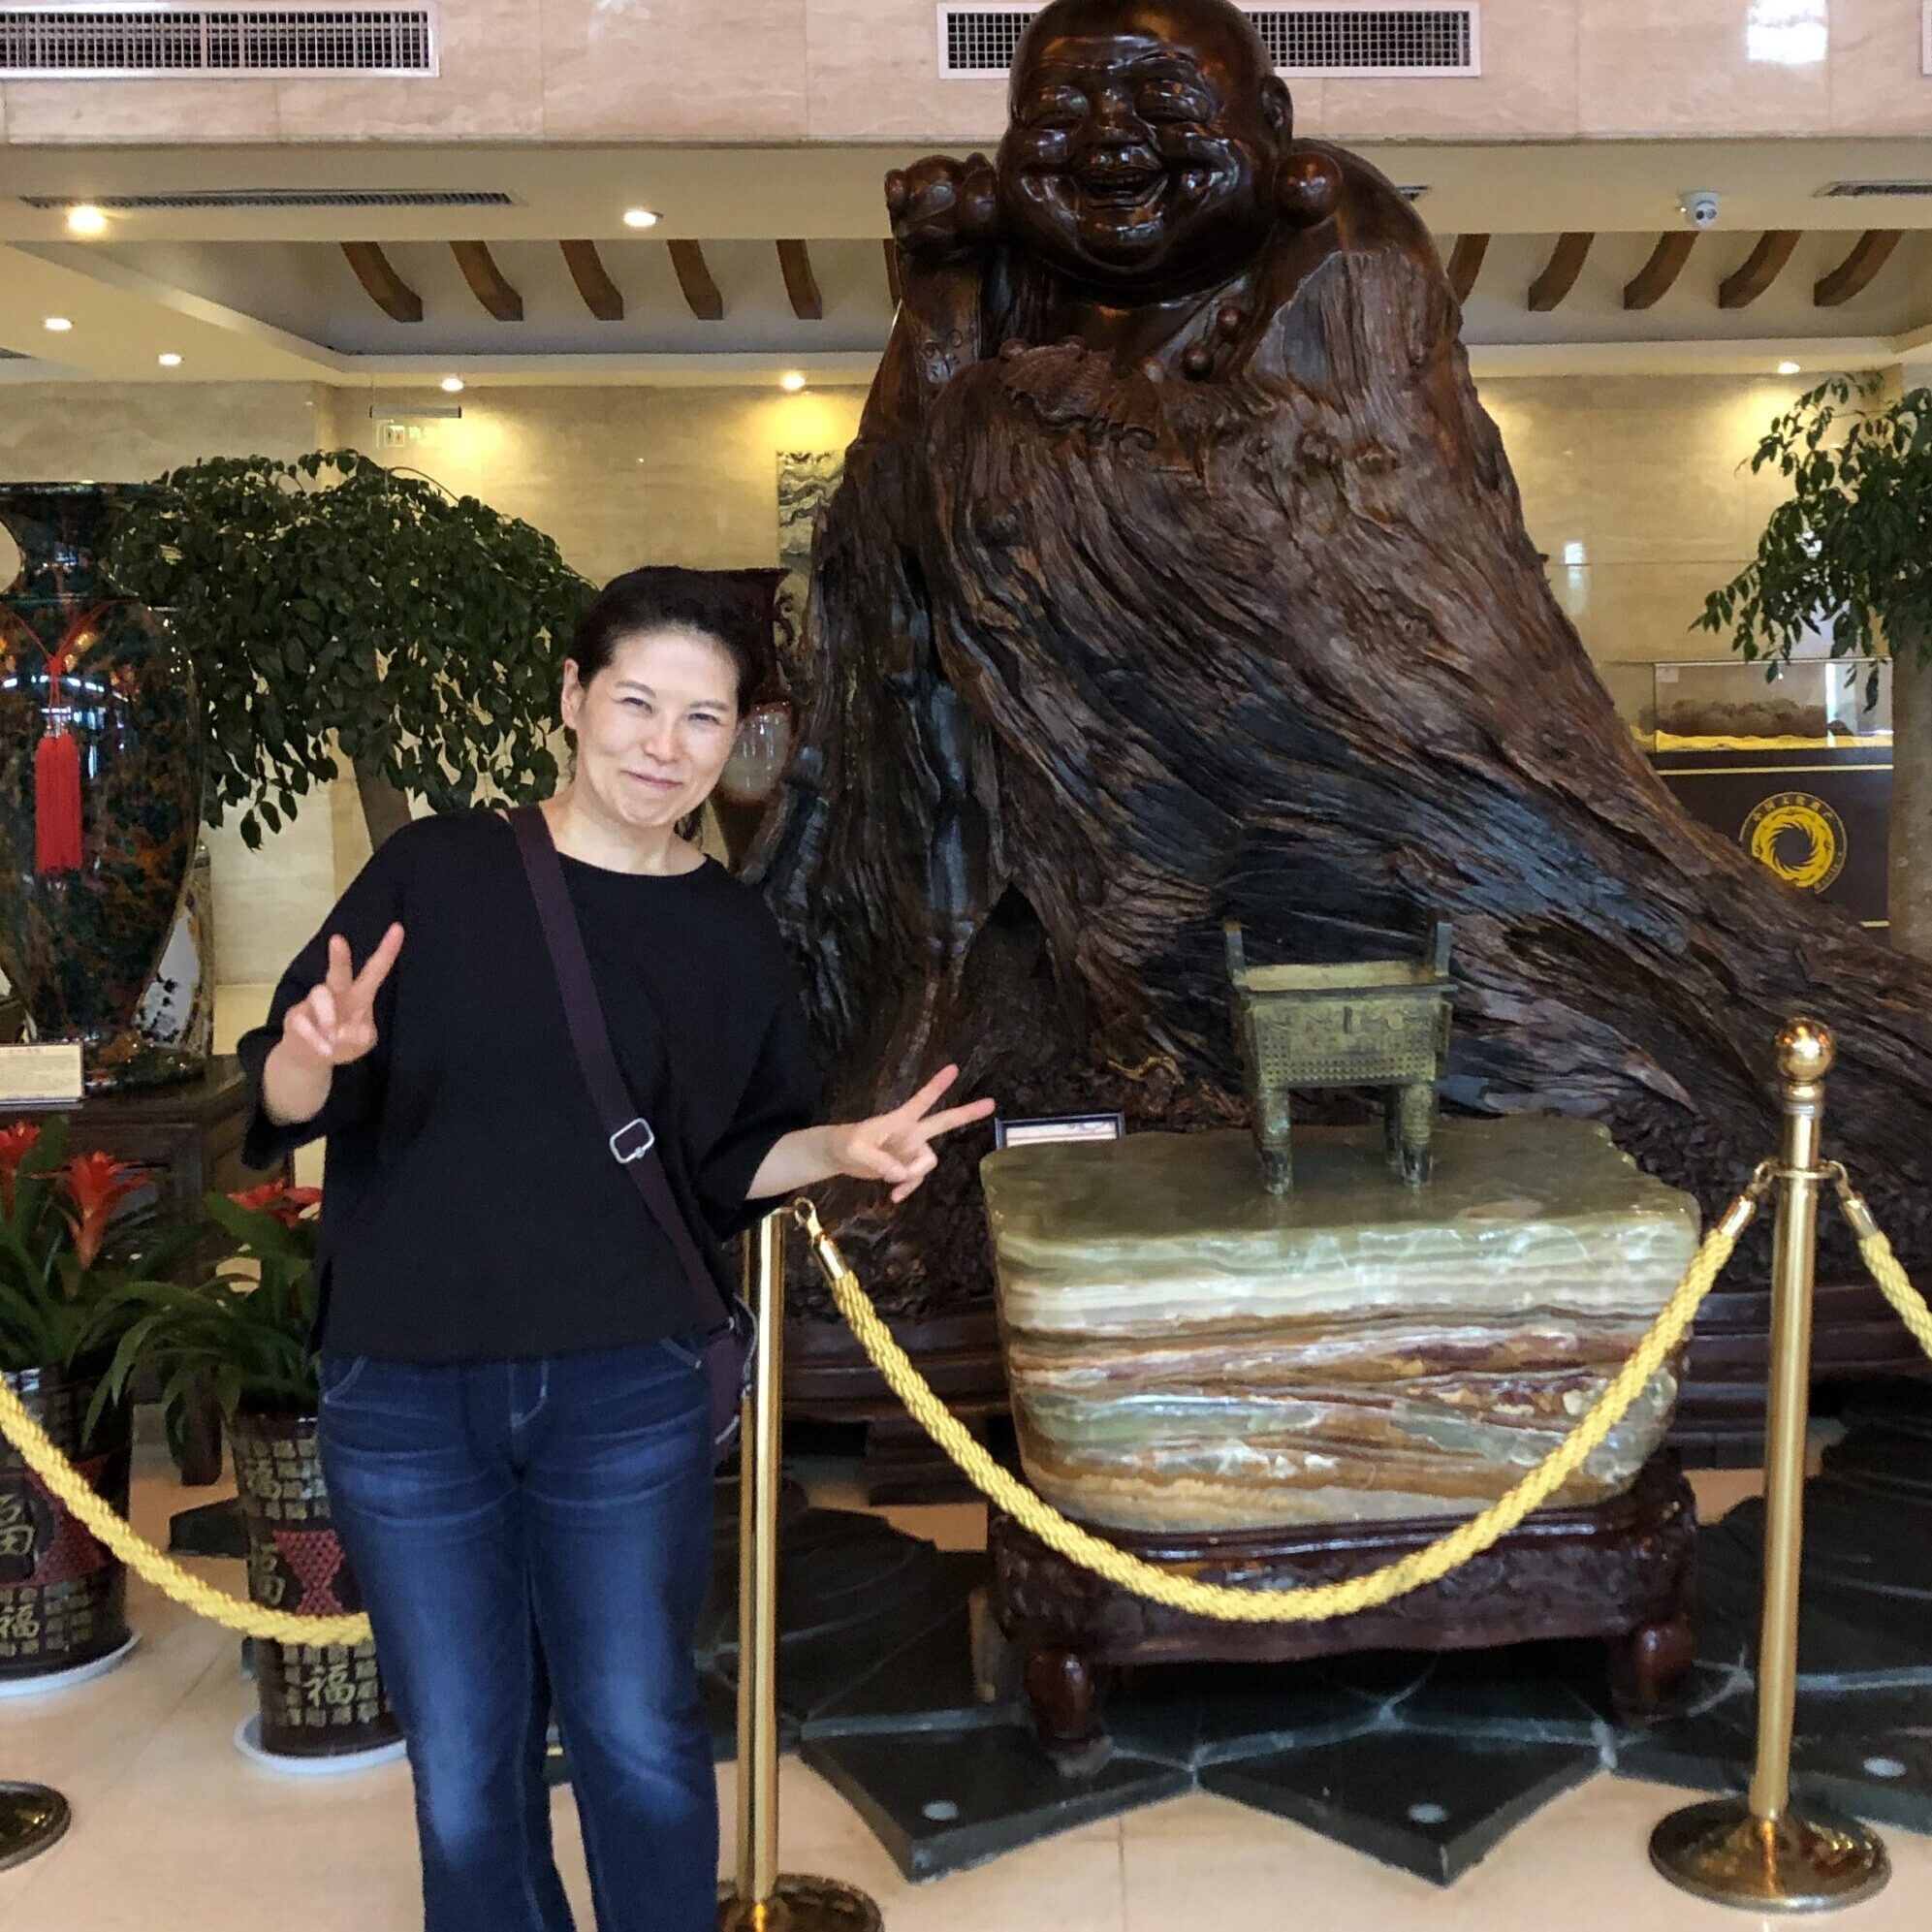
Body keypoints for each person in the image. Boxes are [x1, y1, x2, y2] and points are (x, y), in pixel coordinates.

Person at [237, 567, 994, 1932]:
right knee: (465, 1766)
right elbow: (285, 1097)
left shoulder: (730, 931)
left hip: (623, 1388)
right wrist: (312, 1055)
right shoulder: (439, 872)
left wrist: (837, 1146)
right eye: (636, 702)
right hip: (406, 1389)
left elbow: (722, 1164)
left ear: (740, 738)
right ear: (573, 699)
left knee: (639, 1735)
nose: (664, 746)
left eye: (703, 718)